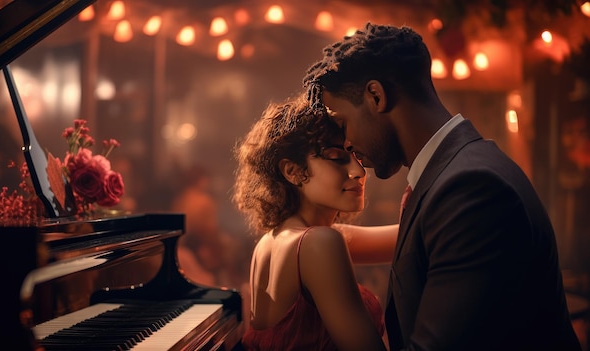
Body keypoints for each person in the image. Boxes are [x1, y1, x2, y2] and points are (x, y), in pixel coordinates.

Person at [302, 22, 582, 351]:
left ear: (376, 96)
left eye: (343, 123)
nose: (348, 142)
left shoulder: (472, 188)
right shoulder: (452, 175)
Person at [232, 93, 399, 350]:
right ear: (292, 171)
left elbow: (415, 235)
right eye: (336, 158)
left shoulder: (273, 241)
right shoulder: (318, 244)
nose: (359, 172)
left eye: (356, 155)